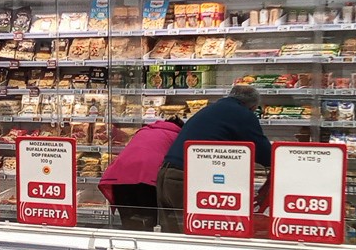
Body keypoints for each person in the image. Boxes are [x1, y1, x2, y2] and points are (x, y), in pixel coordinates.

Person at [156, 83, 272, 233]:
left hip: (165, 176)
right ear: (253, 107)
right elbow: (265, 154)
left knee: (171, 237)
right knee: (196, 236)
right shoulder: (243, 114)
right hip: (187, 180)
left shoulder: (210, 109)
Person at [99, 118, 183, 231]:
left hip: (119, 177)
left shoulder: (144, 131)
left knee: (130, 224)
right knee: (151, 223)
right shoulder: (178, 136)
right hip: (149, 178)